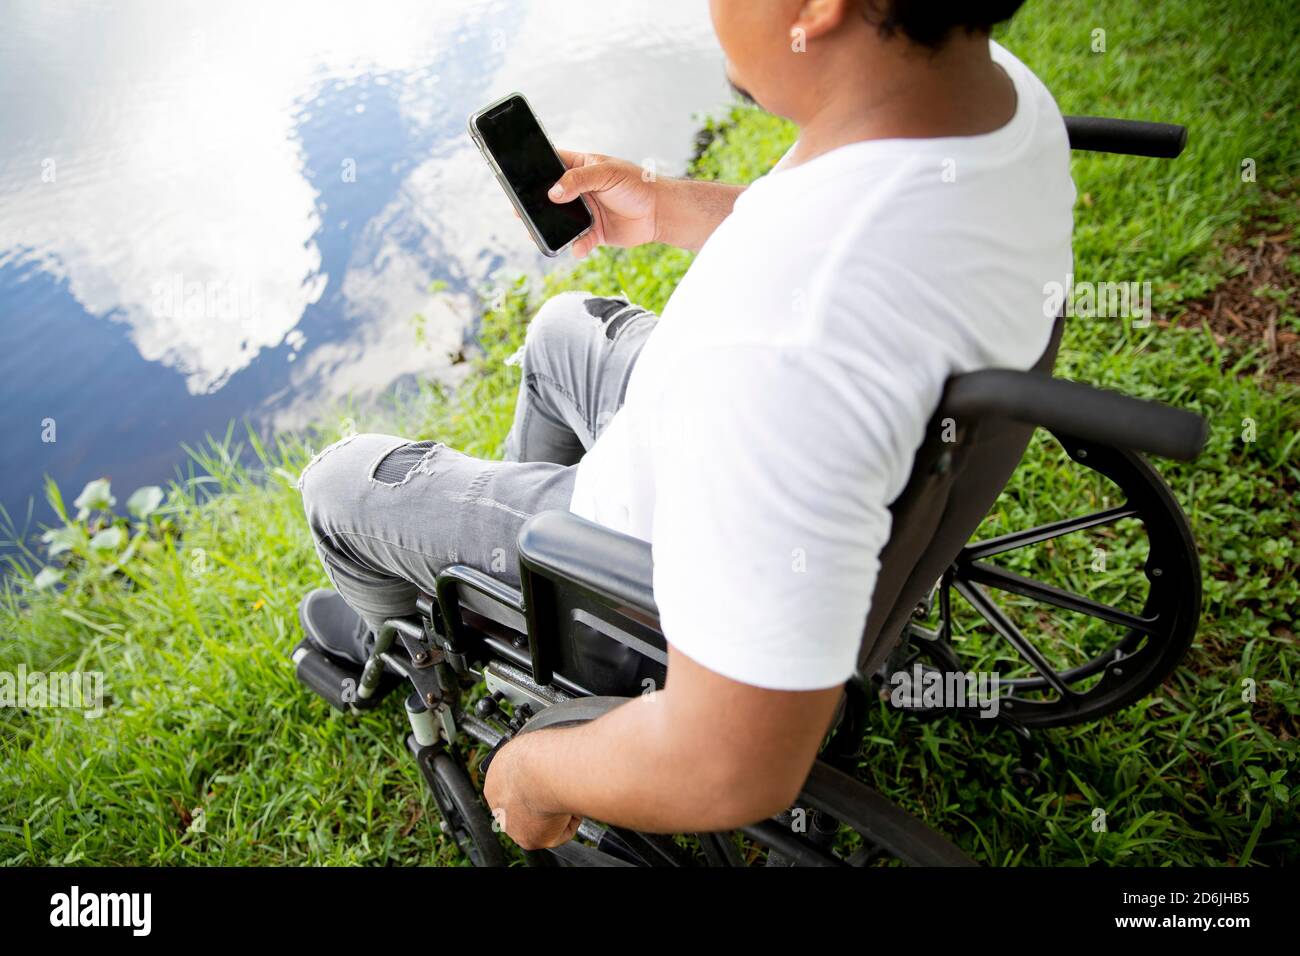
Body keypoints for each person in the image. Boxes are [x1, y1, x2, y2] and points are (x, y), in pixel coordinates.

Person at [297, 0, 1073, 849]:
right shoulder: (995, 104)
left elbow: (731, 761)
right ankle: (498, 598)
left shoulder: (782, 352)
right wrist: (666, 207)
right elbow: (830, 227)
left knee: (337, 484)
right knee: (563, 330)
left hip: (638, 586)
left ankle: (428, 647)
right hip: (764, 450)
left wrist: (531, 770)